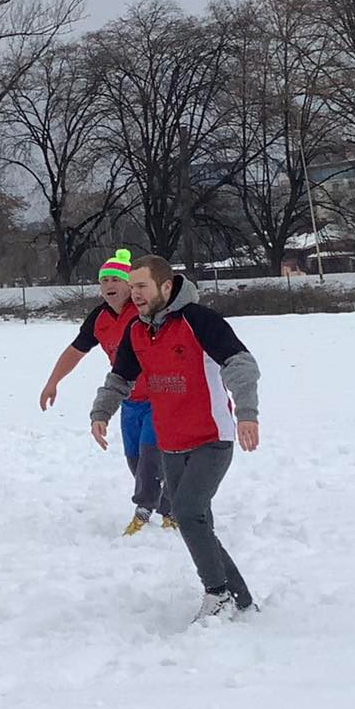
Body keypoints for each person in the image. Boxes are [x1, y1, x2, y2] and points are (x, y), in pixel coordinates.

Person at [89, 256, 262, 621]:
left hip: (212, 439)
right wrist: (101, 413)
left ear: (166, 287)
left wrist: (247, 413)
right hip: (170, 442)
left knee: (186, 512)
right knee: (198, 522)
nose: (133, 294)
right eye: (131, 286)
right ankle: (241, 598)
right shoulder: (136, 330)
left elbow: (241, 364)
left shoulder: (200, 321)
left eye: (141, 287)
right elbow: (120, 378)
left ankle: (218, 595)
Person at [39, 248, 174, 534]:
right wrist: (53, 382)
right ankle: (170, 505)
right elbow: (76, 351)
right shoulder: (98, 319)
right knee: (135, 462)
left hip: (159, 398)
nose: (109, 286)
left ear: (131, 285)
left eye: (116, 279)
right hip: (127, 399)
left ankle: (145, 511)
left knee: (151, 458)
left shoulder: (143, 313)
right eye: (104, 281)